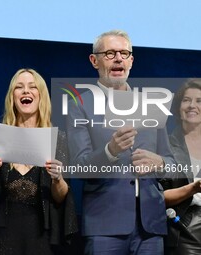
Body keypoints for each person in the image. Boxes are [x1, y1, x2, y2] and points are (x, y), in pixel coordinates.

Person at [66, 30, 176, 254]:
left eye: (124, 53)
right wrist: (109, 151)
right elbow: (79, 166)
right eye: (110, 53)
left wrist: (160, 163)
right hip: (105, 224)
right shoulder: (79, 105)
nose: (118, 58)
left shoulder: (151, 105)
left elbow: (172, 163)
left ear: (131, 61)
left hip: (151, 226)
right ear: (94, 60)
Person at [0, 68, 78, 255]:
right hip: (3, 233)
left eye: (32, 87)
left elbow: (61, 197)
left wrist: (57, 178)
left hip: (40, 235)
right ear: (12, 96)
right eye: (19, 87)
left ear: (41, 96)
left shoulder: (57, 139)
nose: (26, 91)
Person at [160, 79, 201, 255]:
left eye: (199, 101)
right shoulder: (164, 145)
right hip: (184, 230)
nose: (192, 105)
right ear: (178, 107)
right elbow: (156, 197)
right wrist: (193, 188)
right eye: (186, 100)